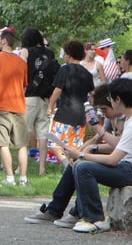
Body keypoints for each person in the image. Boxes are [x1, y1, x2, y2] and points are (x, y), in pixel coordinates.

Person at [24, 83, 125, 228]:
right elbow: (97, 139)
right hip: (119, 158)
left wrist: (88, 151)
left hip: (127, 163)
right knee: (75, 163)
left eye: (104, 109)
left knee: (84, 166)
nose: (104, 114)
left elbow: (120, 146)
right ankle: (55, 209)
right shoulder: (112, 118)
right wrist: (81, 150)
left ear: (115, 102)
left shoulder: (126, 119)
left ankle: (81, 213)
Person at [63, 78, 132, 233]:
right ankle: (80, 213)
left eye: (111, 98)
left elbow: (113, 160)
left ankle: (95, 219)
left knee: (83, 167)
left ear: (118, 99)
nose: (110, 101)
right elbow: (119, 144)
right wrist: (96, 134)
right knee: (82, 165)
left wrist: (80, 155)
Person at [0, 28, 29, 186]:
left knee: (3, 144)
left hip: (0, 106)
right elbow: (24, 86)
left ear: (4, 41)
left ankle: (10, 178)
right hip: (19, 106)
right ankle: (23, 179)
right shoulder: (21, 62)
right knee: (22, 145)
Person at [20, 27, 60, 176]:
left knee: (24, 132)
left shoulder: (26, 52)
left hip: (29, 96)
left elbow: (21, 72)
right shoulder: (49, 53)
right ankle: (42, 168)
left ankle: (20, 167)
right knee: (43, 134)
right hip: (45, 97)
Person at [47, 40, 94, 163]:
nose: (63, 56)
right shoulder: (87, 74)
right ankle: (73, 166)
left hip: (64, 113)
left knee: (54, 143)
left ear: (69, 54)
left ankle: (66, 163)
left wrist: (50, 106)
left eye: (64, 54)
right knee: (74, 146)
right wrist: (91, 110)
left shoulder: (65, 70)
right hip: (80, 115)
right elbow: (93, 94)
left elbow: (57, 90)